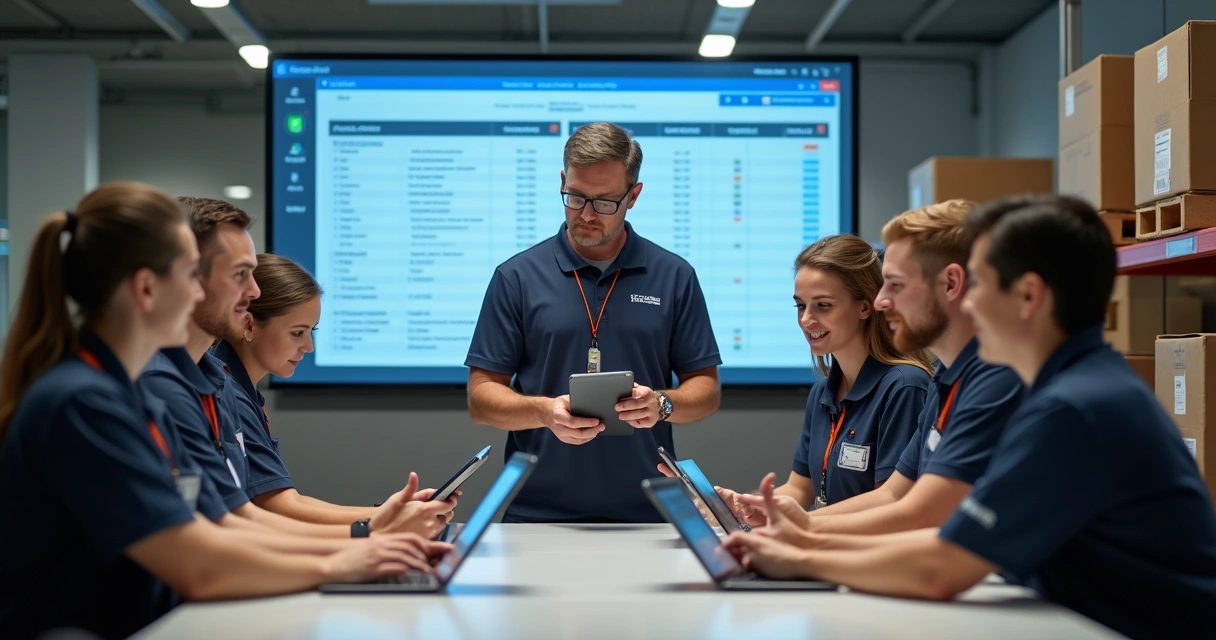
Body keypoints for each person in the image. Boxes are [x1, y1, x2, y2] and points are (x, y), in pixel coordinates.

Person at [722, 195, 1216, 640]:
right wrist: (800, 542)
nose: (969, 304)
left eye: (979, 285)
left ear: (1027, 297)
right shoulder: (1062, 388)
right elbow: (939, 536)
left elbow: (944, 563)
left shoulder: (1070, 407)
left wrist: (800, 555)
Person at [0, 183, 447, 640]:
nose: (245, 294)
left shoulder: (131, 395)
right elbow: (198, 565)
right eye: (192, 276)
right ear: (148, 288)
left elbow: (221, 527)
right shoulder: (84, 402)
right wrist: (346, 557)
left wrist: (363, 544)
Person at [141, 197, 454, 539]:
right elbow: (250, 517)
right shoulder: (166, 385)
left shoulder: (215, 384)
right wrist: (372, 532)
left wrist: (378, 525)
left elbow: (240, 517)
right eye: (239, 275)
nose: (253, 290)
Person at [465, 122, 722, 523]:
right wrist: (545, 412)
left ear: (633, 196)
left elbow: (705, 390)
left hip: (651, 514)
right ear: (562, 180)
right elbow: (482, 400)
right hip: (536, 514)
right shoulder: (516, 277)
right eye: (575, 196)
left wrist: (661, 404)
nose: (586, 214)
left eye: (605, 203)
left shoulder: (674, 276)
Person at [723, 200, 1025, 538]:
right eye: (800, 306)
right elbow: (898, 498)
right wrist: (760, 516)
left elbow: (912, 516)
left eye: (895, 285)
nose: (883, 301)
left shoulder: (959, 383)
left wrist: (801, 539)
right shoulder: (945, 379)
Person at [661, 235, 934, 508]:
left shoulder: (905, 387)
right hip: (826, 546)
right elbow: (800, 489)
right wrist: (741, 505)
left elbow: (890, 504)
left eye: (823, 305)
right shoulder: (823, 392)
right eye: (801, 305)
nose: (806, 319)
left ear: (865, 307)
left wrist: (801, 522)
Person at [209, 254, 457, 525]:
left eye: (311, 331)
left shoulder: (240, 388)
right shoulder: (226, 392)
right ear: (248, 324)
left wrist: (390, 513)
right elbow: (278, 507)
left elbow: (285, 499)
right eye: (297, 332)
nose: (309, 347)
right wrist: (386, 519)